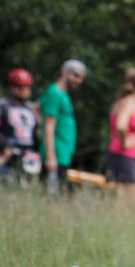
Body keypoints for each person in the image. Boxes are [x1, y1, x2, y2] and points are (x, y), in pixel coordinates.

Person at [38, 59, 87, 193]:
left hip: (63, 154)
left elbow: (36, 106)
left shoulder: (62, 95)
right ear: (64, 72)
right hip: (55, 156)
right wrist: (50, 156)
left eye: (81, 78)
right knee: (52, 196)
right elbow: (49, 125)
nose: (79, 81)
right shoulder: (55, 93)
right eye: (76, 76)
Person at [0, 67, 40, 179]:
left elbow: (40, 132)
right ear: (11, 87)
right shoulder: (1, 104)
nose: (25, 90)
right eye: (20, 86)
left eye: (28, 86)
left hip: (30, 155)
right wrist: (4, 144)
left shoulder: (32, 108)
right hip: (8, 151)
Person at [104, 67, 135, 201]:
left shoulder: (120, 102)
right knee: (129, 203)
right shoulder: (129, 103)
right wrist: (125, 142)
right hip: (126, 158)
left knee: (118, 200)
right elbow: (121, 125)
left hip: (118, 156)